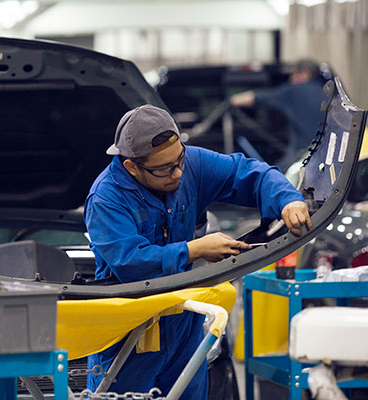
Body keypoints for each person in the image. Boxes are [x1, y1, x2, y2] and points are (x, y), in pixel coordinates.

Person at [83, 104, 312, 399]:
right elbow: (131, 262)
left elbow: (249, 173)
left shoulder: (190, 165)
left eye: (180, 159)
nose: (178, 173)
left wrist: (288, 200)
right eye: (165, 169)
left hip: (183, 321)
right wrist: (193, 250)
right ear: (131, 166)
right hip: (129, 331)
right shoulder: (106, 198)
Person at [230, 60, 330, 169]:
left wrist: (232, 100)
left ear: (304, 73)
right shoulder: (328, 93)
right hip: (328, 158)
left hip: (304, 159)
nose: (291, 79)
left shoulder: (294, 92)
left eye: (293, 74)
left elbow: (258, 97)